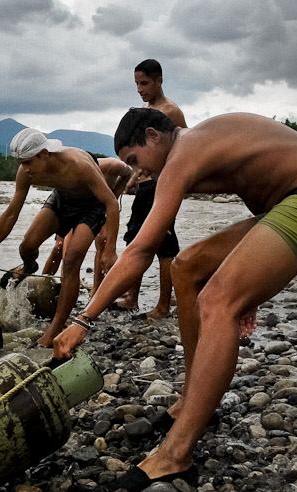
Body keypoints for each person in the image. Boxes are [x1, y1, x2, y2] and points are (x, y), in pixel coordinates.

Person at [53, 108, 297, 492]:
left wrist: (84, 319)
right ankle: (193, 401)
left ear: (153, 136)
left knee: (217, 300)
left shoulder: (183, 151)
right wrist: (250, 275)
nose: (137, 172)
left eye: (134, 160)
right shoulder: (198, 145)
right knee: (187, 266)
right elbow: (264, 184)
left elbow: (140, 250)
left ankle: (176, 455)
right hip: (287, 207)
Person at [0, 128, 132, 347]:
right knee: (27, 245)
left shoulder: (79, 165)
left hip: (91, 206)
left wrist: (110, 249)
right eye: (21, 163)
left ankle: (54, 329)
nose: (25, 169)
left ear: (44, 154)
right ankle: (28, 266)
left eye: (28, 162)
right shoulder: (25, 173)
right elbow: (11, 213)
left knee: (72, 260)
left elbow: (111, 203)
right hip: (62, 199)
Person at [116, 59, 188, 319]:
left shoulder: (170, 112)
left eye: (144, 83)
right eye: (136, 83)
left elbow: (183, 149)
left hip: (163, 184)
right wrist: (133, 178)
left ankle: (163, 306)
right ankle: (132, 297)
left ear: (159, 81)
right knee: (136, 238)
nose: (139, 89)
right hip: (147, 185)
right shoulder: (147, 109)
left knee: (164, 245)